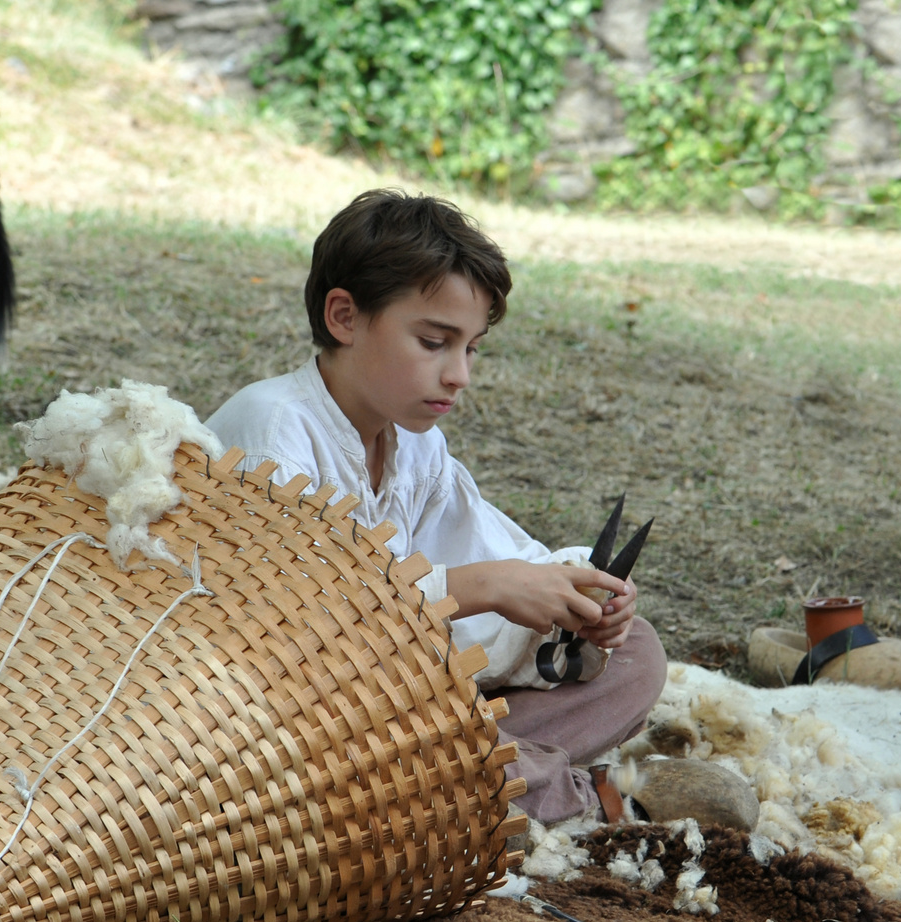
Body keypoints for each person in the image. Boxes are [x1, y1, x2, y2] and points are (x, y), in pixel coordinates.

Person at [204, 189, 668, 823]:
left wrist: (584, 601)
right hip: (268, 719)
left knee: (635, 656)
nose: (460, 375)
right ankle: (550, 790)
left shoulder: (417, 448)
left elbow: (503, 559)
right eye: (433, 342)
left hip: (398, 707)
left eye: (471, 347)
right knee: (368, 740)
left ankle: (483, 775)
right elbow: (292, 631)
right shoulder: (273, 429)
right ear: (344, 317)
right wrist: (482, 588)